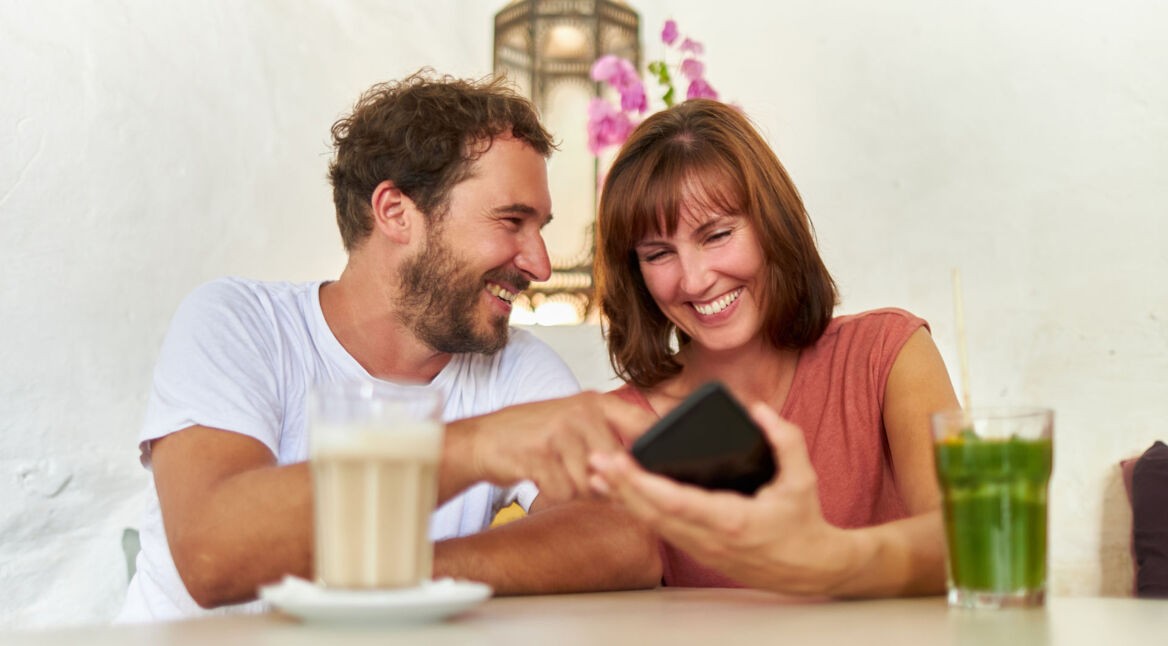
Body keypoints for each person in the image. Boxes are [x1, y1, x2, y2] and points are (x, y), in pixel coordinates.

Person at [118, 70, 655, 622]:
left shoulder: (516, 368)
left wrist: (403, 573)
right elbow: (213, 556)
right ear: (396, 212)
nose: (539, 264)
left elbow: (626, 539)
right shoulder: (239, 324)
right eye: (511, 221)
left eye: (538, 226)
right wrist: (473, 447)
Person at [587, 99, 961, 597]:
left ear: (771, 225)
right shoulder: (619, 429)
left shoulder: (887, 354)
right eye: (659, 254)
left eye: (717, 234)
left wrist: (825, 560)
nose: (695, 280)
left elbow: (962, 541)